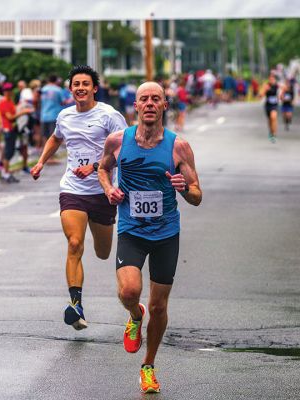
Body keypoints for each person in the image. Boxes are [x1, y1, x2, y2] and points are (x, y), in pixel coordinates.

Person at [98, 81, 202, 393]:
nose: (149, 104)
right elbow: (102, 170)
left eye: (156, 99)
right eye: (144, 99)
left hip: (166, 233)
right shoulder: (118, 141)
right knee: (130, 292)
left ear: (164, 105)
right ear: (136, 106)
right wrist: (109, 189)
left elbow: (197, 194)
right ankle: (134, 314)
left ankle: (148, 365)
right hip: (131, 228)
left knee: (159, 307)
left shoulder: (178, 147)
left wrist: (185, 188)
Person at [30, 65, 128, 330]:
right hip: (72, 189)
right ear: (70, 88)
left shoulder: (109, 115)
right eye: (76, 84)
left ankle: (82, 298)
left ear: (94, 88)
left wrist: (97, 166)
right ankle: (75, 304)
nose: (81, 88)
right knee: (74, 243)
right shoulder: (64, 116)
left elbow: (125, 149)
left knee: (103, 252)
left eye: (86, 84)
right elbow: (54, 138)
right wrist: (40, 162)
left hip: (102, 192)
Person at [0, 82, 32, 183]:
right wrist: (23, 112)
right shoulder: (3, 103)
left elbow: (14, 113)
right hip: (8, 129)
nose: (9, 92)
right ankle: (5, 174)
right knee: (8, 152)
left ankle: (6, 173)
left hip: (13, 130)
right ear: (4, 91)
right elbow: (10, 117)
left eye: (10, 90)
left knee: (11, 151)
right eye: (7, 90)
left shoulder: (10, 102)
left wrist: (20, 107)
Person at [260, 73, 279, 143]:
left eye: (273, 79)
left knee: (273, 117)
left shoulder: (277, 85)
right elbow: (261, 95)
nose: (271, 80)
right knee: (270, 120)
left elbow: (283, 92)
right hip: (268, 105)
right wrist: (265, 89)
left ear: (275, 79)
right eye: (270, 79)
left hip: (274, 105)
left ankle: (274, 134)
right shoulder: (266, 85)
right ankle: (271, 132)